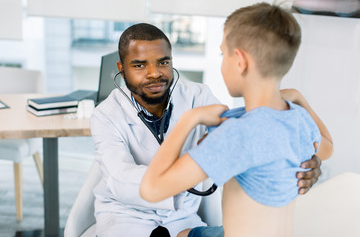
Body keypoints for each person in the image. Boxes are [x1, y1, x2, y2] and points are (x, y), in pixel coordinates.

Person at [91, 23, 324, 237]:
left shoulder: (198, 96)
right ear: (121, 68)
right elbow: (120, 180)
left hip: (182, 220)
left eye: (163, 62)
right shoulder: (106, 115)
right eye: (140, 65)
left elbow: (245, 136)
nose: (154, 73)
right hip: (126, 219)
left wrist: (300, 164)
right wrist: (183, 176)